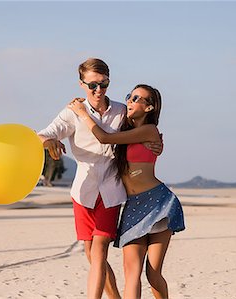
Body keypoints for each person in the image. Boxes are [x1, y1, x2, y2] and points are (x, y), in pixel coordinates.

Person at [37, 58, 162, 299]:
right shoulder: (72, 112)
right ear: (81, 83)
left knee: (100, 249)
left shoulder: (121, 111)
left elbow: (140, 127)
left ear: (108, 82)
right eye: (92, 85)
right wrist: (48, 141)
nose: (98, 90)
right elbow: (43, 133)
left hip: (112, 189)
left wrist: (156, 142)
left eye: (103, 84)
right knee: (91, 254)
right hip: (83, 192)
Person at [68, 84, 185, 299]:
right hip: (132, 207)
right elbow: (104, 129)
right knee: (131, 274)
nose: (130, 101)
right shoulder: (124, 131)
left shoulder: (149, 131)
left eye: (137, 98)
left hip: (158, 203)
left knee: (152, 273)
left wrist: (83, 113)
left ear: (149, 108)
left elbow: (103, 137)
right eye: (129, 97)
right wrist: (86, 104)